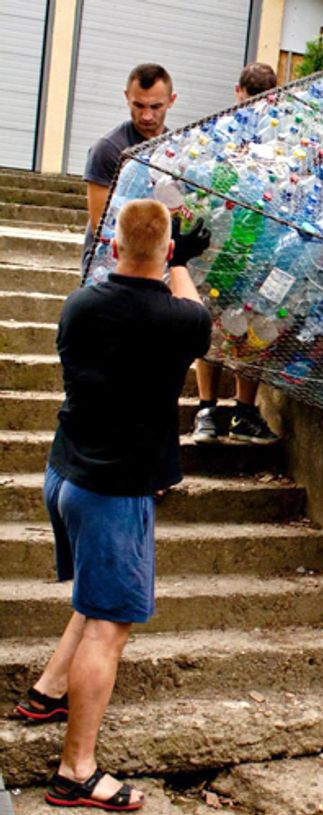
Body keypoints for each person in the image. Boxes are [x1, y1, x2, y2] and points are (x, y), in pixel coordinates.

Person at [14, 200, 211, 810]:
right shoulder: (178, 321)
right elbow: (192, 304)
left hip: (66, 471)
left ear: (113, 247)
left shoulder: (79, 304)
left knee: (95, 596)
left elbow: (142, 276)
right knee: (110, 625)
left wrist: (160, 249)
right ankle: (77, 770)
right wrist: (179, 255)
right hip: (113, 490)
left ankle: (49, 690)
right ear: (169, 252)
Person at [192, 62, 280, 446]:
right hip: (252, 245)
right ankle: (241, 413)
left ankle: (208, 411)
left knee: (212, 326)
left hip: (220, 244)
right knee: (252, 327)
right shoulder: (277, 135)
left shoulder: (218, 131)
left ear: (237, 90)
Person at [82, 64, 176, 274]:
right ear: (126, 97)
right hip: (107, 264)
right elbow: (101, 224)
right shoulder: (108, 149)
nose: (146, 116)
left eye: (156, 107)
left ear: (172, 100)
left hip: (155, 265)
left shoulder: (175, 149)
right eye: (139, 105)